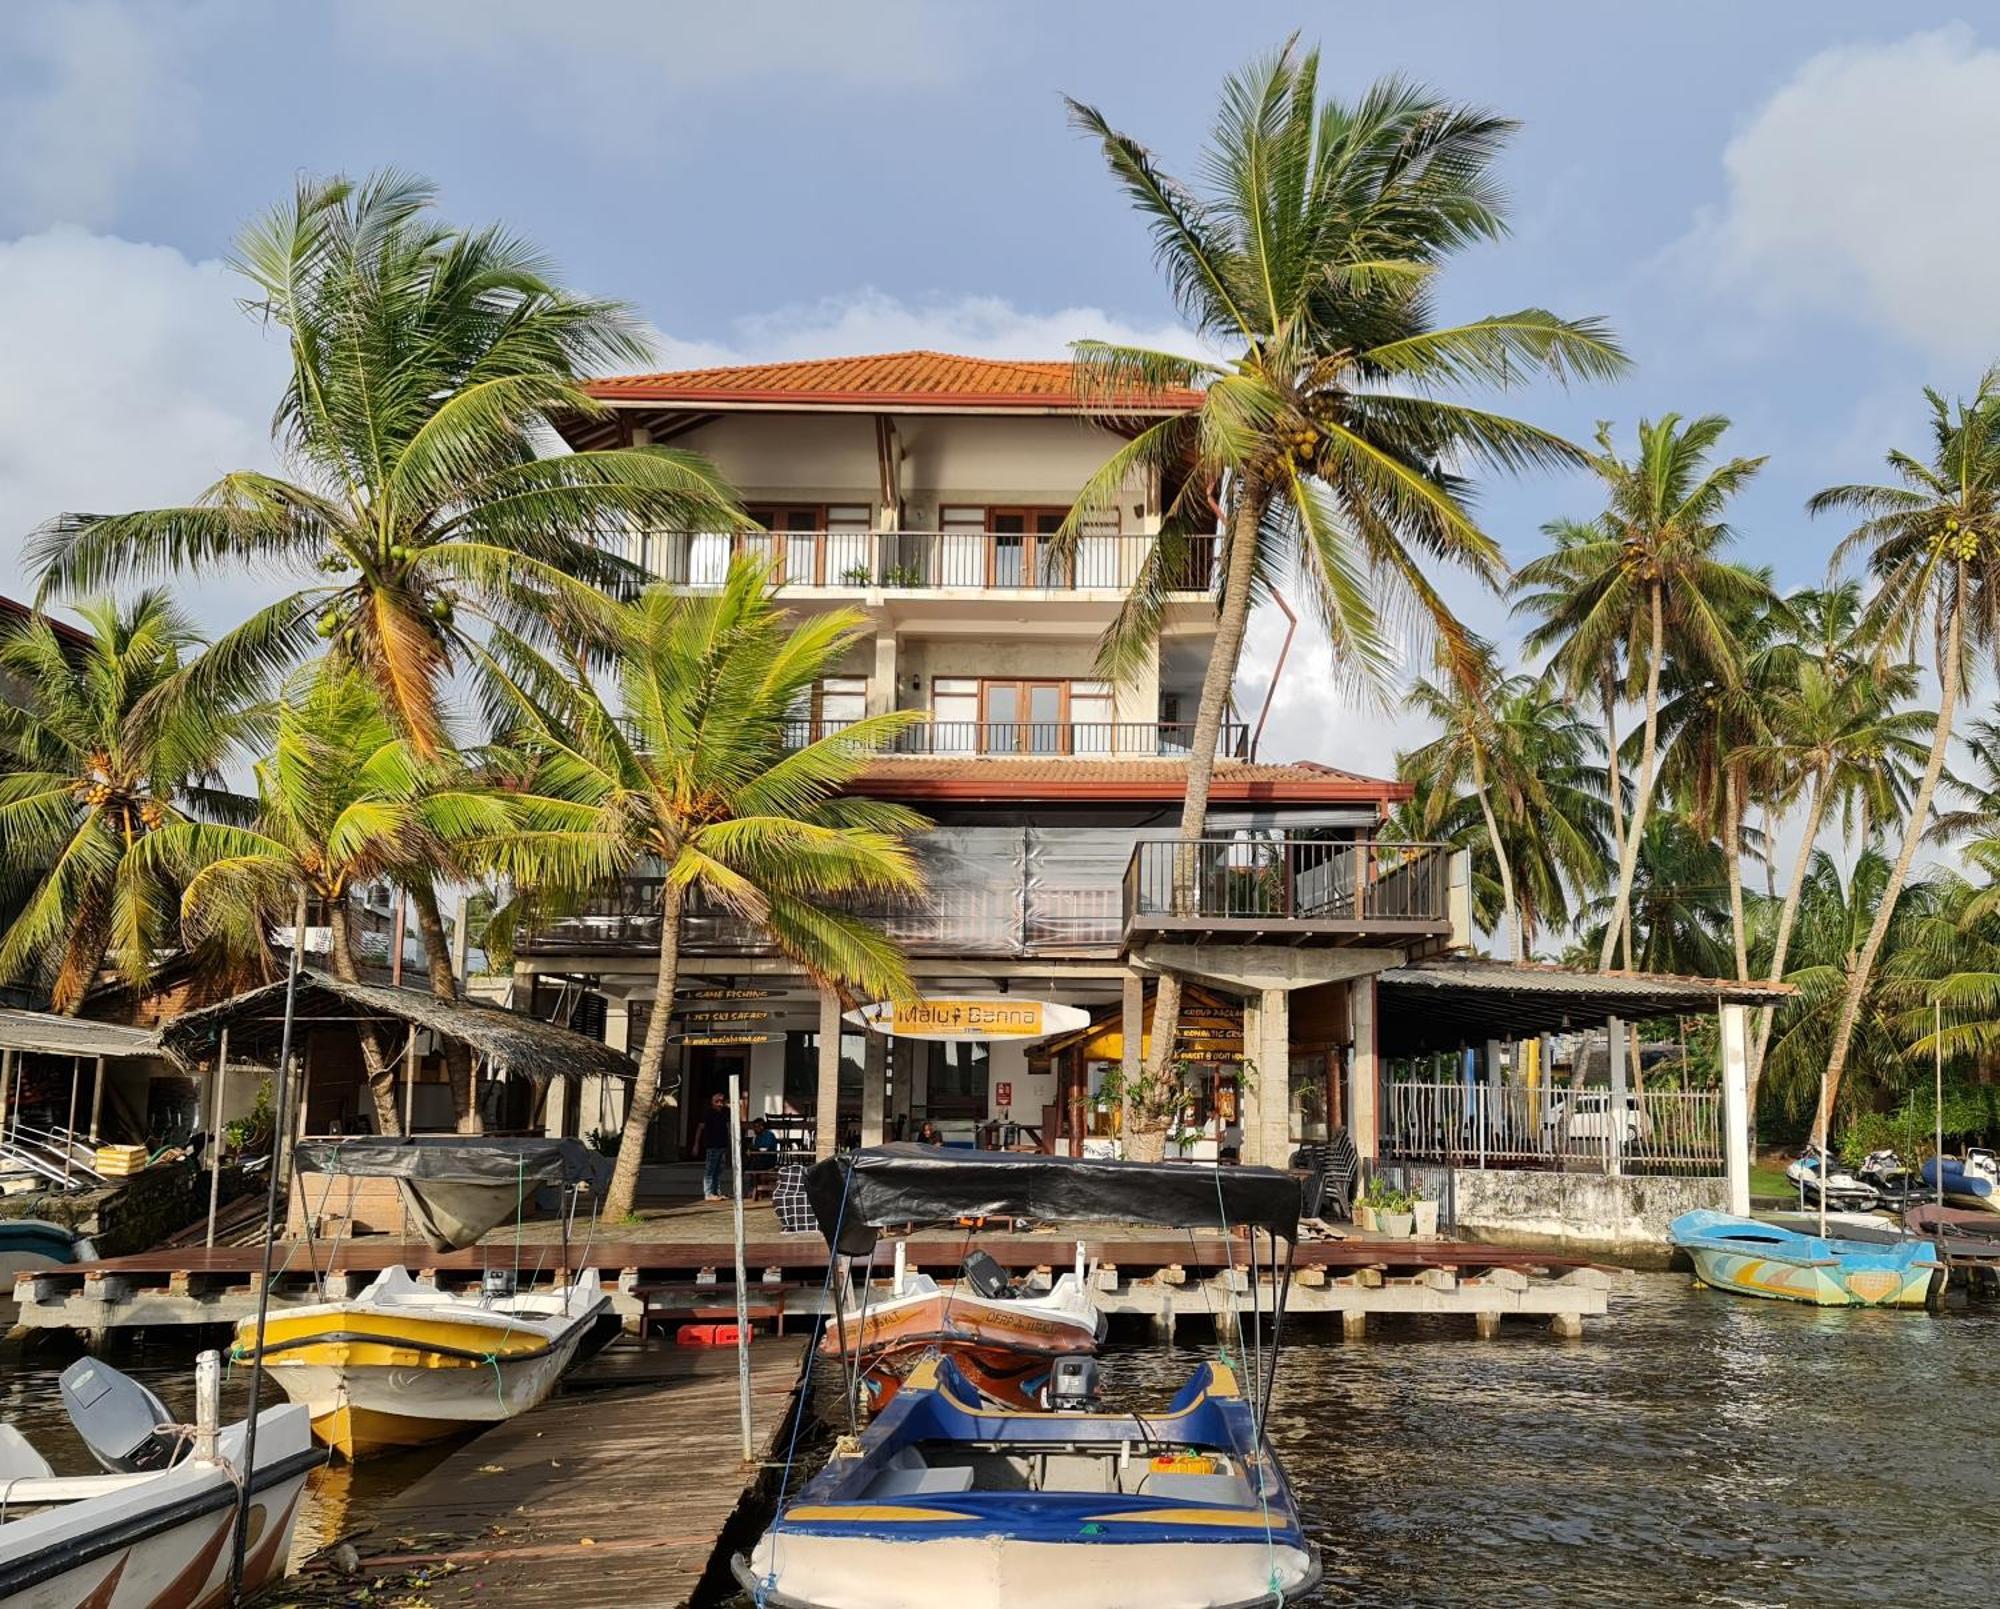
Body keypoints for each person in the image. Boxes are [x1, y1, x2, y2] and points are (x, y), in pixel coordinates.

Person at [695, 1092, 732, 1201]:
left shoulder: (725, 1112)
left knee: (718, 1170)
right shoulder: (708, 1113)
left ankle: (716, 1192)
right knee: (710, 1170)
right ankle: (708, 1193)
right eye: (717, 1101)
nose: (719, 1104)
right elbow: (700, 1128)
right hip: (712, 1145)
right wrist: (696, 1144)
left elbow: (729, 1126)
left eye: (721, 1101)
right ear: (712, 1102)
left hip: (722, 1144)